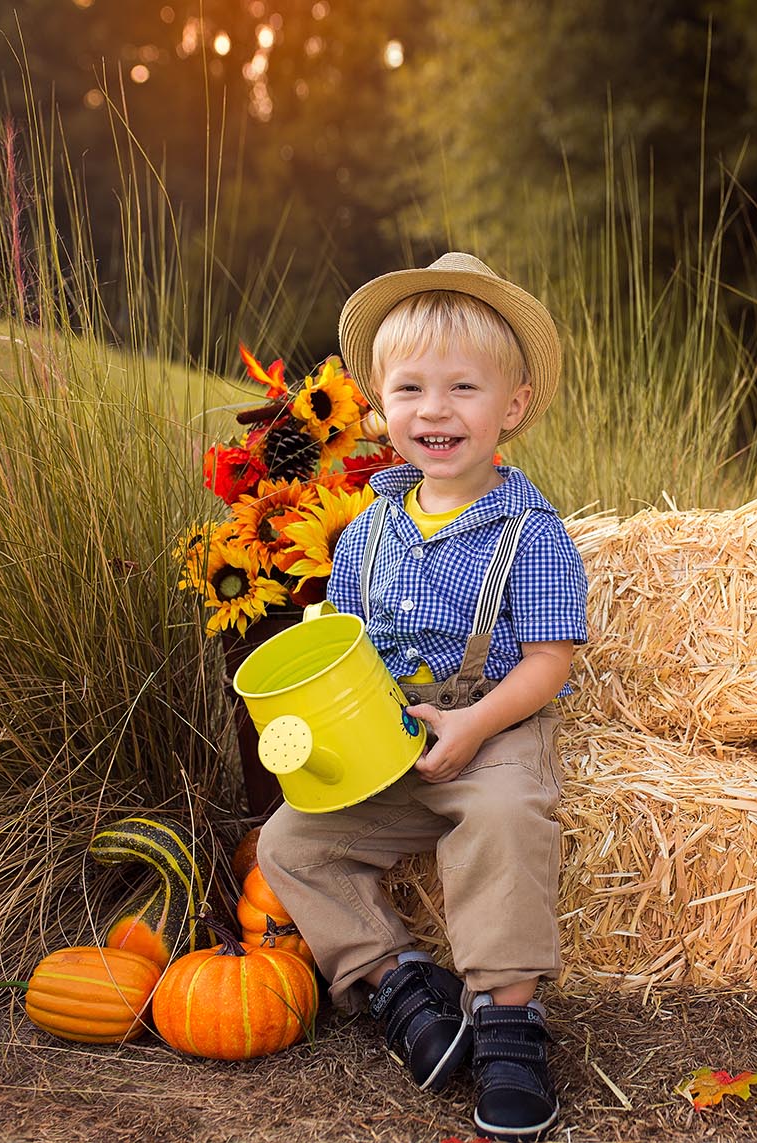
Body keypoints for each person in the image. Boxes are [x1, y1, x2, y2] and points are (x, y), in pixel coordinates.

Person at [257, 252, 588, 1142]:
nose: (434, 411)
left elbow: (550, 661)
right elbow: (350, 651)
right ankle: (396, 974)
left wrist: (477, 723)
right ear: (378, 403)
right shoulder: (365, 530)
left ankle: (508, 1019)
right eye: (410, 388)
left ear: (511, 407)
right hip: (389, 735)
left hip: (492, 722)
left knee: (508, 818)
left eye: (463, 388)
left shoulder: (532, 531)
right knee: (290, 841)